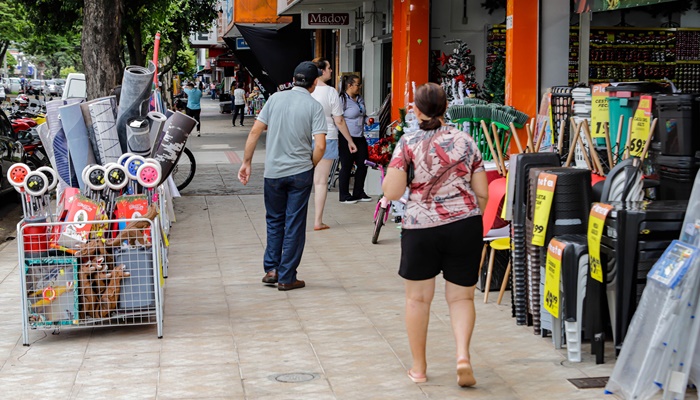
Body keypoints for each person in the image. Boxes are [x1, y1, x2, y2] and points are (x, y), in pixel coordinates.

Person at [382, 83, 489, 387]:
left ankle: (419, 368)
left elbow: (392, 192)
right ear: (446, 108)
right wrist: (469, 215)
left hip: (421, 229)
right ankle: (462, 356)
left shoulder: (407, 142)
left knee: (417, 300)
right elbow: (482, 192)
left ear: (416, 110)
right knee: (461, 297)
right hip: (464, 225)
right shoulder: (466, 141)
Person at [237, 61, 327, 291]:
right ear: (314, 83)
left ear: (294, 79)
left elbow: (255, 130)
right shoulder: (314, 106)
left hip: (273, 174)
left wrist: (246, 162)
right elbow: (320, 146)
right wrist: (311, 164)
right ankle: (287, 277)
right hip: (300, 173)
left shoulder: (275, 99)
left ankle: (272, 270)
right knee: (294, 224)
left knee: (275, 220)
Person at [310, 57, 357, 231]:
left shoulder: (304, 90)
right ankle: (317, 221)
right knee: (321, 182)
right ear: (322, 71)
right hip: (326, 137)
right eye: (329, 68)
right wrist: (350, 141)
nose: (331, 70)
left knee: (300, 180)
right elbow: (339, 120)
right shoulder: (330, 92)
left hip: (304, 138)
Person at [337, 74, 371, 202]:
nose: (359, 87)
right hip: (346, 136)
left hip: (360, 135)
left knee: (364, 163)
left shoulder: (360, 99)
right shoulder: (342, 99)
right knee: (347, 165)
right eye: (357, 85)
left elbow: (363, 114)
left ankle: (358, 192)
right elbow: (338, 118)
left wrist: (367, 120)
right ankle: (344, 195)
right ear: (349, 85)